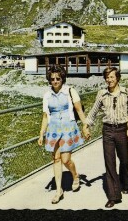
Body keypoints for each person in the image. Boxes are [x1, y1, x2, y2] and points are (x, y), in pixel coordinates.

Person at [37, 65, 89, 204]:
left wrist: (85, 125)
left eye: (58, 78)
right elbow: (45, 116)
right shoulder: (47, 95)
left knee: (66, 159)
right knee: (56, 159)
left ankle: (75, 175)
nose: (55, 81)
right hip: (53, 129)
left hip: (68, 128)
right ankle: (58, 190)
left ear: (62, 78)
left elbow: (79, 111)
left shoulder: (70, 91)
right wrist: (41, 133)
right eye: (52, 79)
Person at [84, 67, 128, 208]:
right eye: (107, 77)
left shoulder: (126, 93)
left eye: (112, 77)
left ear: (117, 78)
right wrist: (86, 125)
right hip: (108, 131)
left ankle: (125, 182)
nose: (109, 80)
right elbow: (93, 111)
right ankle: (114, 196)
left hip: (122, 130)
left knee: (124, 160)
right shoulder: (102, 94)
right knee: (109, 163)